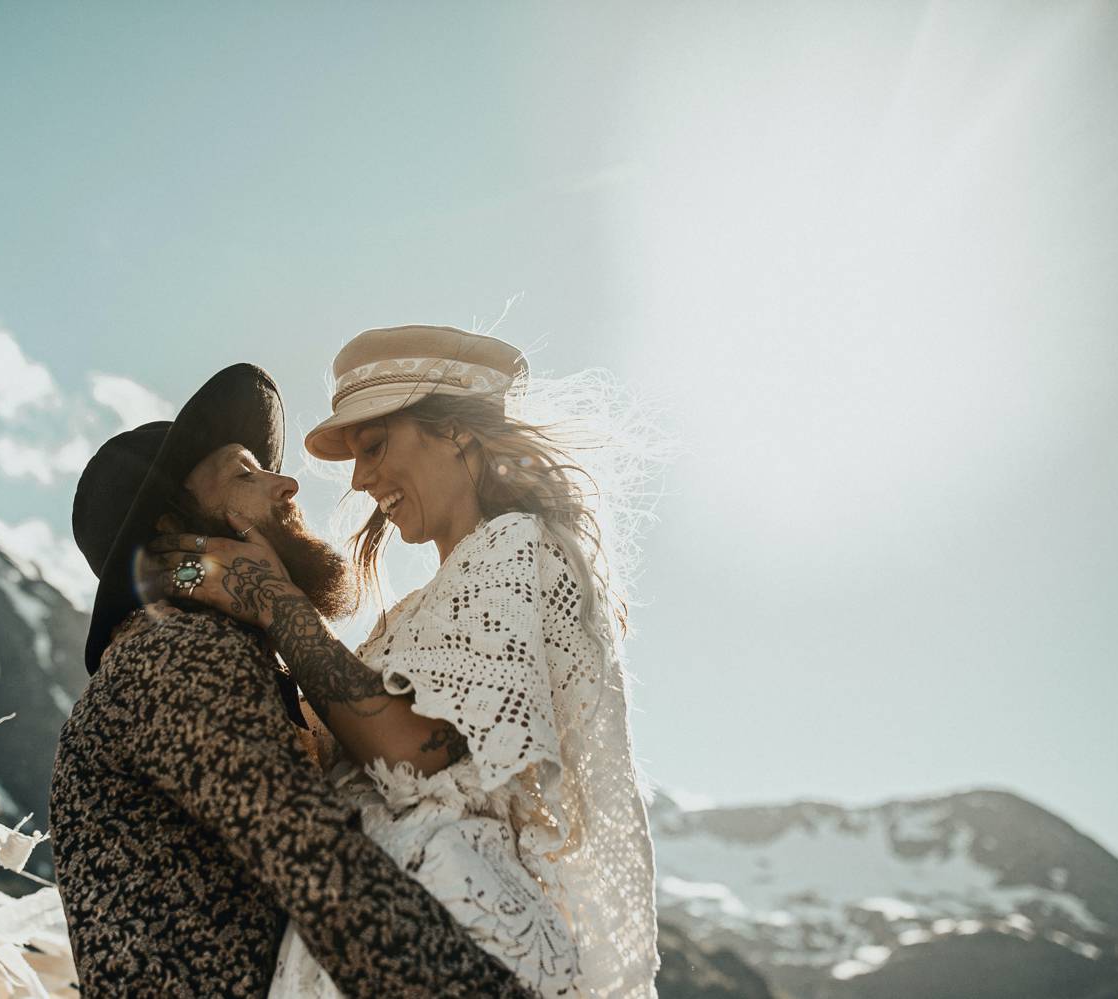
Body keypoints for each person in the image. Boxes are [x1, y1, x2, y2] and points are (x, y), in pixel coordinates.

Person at [152, 327, 660, 998]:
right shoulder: (413, 614)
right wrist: (187, 571)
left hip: (457, 942)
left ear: (456, 431)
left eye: (374, 445)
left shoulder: (517, 547)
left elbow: (421, 753)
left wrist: (276, 601)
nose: (359, 479)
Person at [49, 363, 535, 997]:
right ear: (178, 535)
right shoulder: (174, 657)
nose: (287, 484)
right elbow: (323, 873)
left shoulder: (220, 654)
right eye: (246, 476)